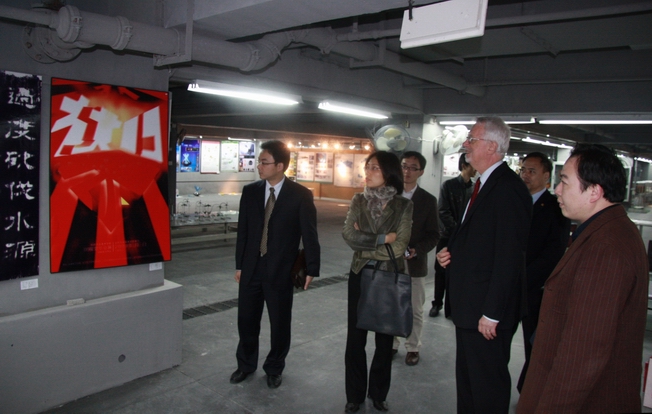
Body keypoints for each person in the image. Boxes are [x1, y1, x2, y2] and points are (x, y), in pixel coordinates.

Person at [517, 144, 648, 413]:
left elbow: (583, 351)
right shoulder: (604, 232)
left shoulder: (606, 248)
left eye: (565, 182)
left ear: (594, 192)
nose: (557, 190)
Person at [436, 117, 531, 413]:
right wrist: (450, 252)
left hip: (486, 314)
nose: (465, 144)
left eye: (472, 139)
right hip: (471, 307)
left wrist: (491, 313)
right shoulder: (483, 184)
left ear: (491, 146)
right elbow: (480, 239)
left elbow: (509, 256)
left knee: (486, 387)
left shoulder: (508, 189)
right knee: (468, 384)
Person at [230, 140, 320, 389]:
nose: (259, 166)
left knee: (280, 323)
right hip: (251, 268)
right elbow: (243, 232)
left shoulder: (300, 195)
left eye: (264, 162)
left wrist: (312, 268)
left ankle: (274, 367)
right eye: (259, 162)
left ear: (280, 166)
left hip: (281, 270)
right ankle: (245, 364)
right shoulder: (251, 191)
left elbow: (309, 234)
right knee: (246, 320)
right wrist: (240, 265)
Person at [342, 151, 413, 413]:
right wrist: (384, 239)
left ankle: (379, 393)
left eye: (374, 168)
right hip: (360, 274)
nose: (368, 172)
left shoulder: (403, 205)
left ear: (388, 173)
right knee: (355, 339)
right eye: (367, 167)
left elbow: (401, 245)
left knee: (384, 340)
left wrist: (366, 242)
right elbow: (348, 236)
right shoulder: (358, 200)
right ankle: (354, 395)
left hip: (388, 275)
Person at [516, 152, 570, 392]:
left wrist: (524, 280)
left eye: (532, 171)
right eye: (523, 170)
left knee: (534, 344)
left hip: (535, 289)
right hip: (507, 286)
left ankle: (529, 391)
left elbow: (553, 253)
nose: (525, 175)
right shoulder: (514, 201)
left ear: (547, 176)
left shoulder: (555, 208)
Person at [392, 151, 439, 366]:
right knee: (391, 304)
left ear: (421, 172)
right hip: (389, 261)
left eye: (413, 168)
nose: (407, 171)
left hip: (414, 263)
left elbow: (434, 234)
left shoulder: (428, 200)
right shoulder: (389, 195)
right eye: (404, 166)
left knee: (414, 308)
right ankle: (391, 343)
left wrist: (417, 250)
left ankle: (413, 347)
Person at [429, 153, 475, 318]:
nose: (476, 169)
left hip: (465, 239)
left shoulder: (474, 188)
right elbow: (443, 211)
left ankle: (451, 307)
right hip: (447, 236)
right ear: (464, 166)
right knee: (441, 271)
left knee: (457, 273)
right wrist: (458, 231)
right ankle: (437, 303)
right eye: (472, 165)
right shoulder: (448, 185)